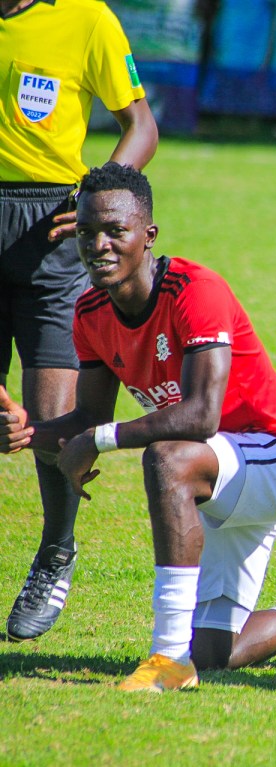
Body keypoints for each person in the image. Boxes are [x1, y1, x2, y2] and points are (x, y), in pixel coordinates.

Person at [0, 162, 276, 691]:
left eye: (115, 231)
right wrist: (27, 432)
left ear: (148, 236)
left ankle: (168, 660)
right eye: (86, 232)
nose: (99, 244)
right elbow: (87, 419)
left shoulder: (195, 289)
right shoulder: (90, 311)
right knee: (217, 651)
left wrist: (97, 441)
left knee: (168, 456)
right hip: (218, 474)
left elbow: (200, 415)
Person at [0, 0, 159, 643]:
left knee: (47, 423)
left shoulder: (87, 17)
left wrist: (89, 194)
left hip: (51, 230)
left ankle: (54, 554)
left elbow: (140, 123)